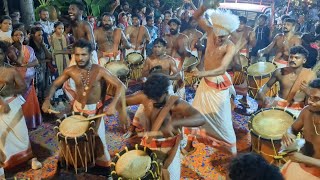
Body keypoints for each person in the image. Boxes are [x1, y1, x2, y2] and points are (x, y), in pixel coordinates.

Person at [42, 39, 126, 173]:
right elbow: (55, 84)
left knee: (98, 141)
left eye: (84, 55)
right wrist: (47, 100)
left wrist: (113, 105)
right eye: (77, 55)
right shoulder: (71, 70)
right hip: (77, 110)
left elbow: (121, 85)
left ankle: (104, 170)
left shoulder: (99, 70)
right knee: (75, 140)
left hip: (95, 111)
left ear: (90, 54)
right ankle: (78, 164)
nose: (80, 58)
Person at [121, 73, 205, 179]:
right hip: (148, 143)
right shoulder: (145, 96)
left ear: (165, 93)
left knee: (170, 176)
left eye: (156, 99)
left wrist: (175, 123)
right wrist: (124, 117)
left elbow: (201, 119)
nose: (151, 101)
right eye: (149, 98)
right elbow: (120, 102)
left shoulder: (177, 104)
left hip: (170, 148)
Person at [184, 5, 239, 155]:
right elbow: (196, 16)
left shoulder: (230, 46)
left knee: (222, 120)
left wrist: (201, 74)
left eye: (224, 36)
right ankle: (189, 145)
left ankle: (232, 153)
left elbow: (222, 69)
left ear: (229, 34)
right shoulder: (209, 32)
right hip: (205, 82)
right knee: (196, 113)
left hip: (218, 84)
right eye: (218, 34)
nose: (219, 38)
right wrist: (205, 6)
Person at [123, 38, 181, 138]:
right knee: (143, 105)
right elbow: (143, 74)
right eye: (155, 46)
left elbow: (177, 76)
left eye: (159, 47)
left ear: (164, 48)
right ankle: (132, 128)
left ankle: (176, 133)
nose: (156, 49)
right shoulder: (149, 59)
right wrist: (149, 75)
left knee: (174, 106)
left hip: (166, 87)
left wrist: (163, 77)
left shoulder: (169, 60)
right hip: (152, 86)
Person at [0, 41, 32, 179]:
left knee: (21, 134)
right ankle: (2, 167)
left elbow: (23, 87)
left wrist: (9, 91)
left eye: (0, 53)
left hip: (12, 103)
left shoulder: (11, 70)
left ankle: (28, 157)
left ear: (4, 54)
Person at [257, 46, 316, 117]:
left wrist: (307, 91)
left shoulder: (311, 75)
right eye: (291, 57)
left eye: (297, 58)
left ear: (304, 60)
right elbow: (266, 86)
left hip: (297, 109)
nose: (293, 60)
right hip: (278, 104)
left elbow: (315, 98)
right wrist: (264, 98)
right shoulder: (279, 72)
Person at [281, 78, 320, 179]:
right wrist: (288, 133)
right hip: (301, 160)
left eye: (317, 99)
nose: (310, 102)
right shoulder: (306, 111)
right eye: (310, 97)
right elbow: (293, 129)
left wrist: (304, 159)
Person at [7, 28, 42, 130]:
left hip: (29, 81)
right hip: (17, 83)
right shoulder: (10, 49)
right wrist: (21, 48)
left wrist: (25, 65)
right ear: (12, 37)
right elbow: (19, 61)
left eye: (21, 35)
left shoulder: (30, 48)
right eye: (16, 35)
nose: (19, 37)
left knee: (29, 103)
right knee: (19, 103)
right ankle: (21, 126)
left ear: (24, 36)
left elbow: (36, 62)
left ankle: (31, 124)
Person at [164, 18, 192, 99]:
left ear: (179, 26)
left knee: (179, 85)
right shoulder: (166, 37)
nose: (171, 27)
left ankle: (181, 104)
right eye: (170, 25)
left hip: (178, 63)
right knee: (167, 85)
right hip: (167, 62)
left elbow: (187, 53)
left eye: (174, 25)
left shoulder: (183, 37)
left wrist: (185, 51)